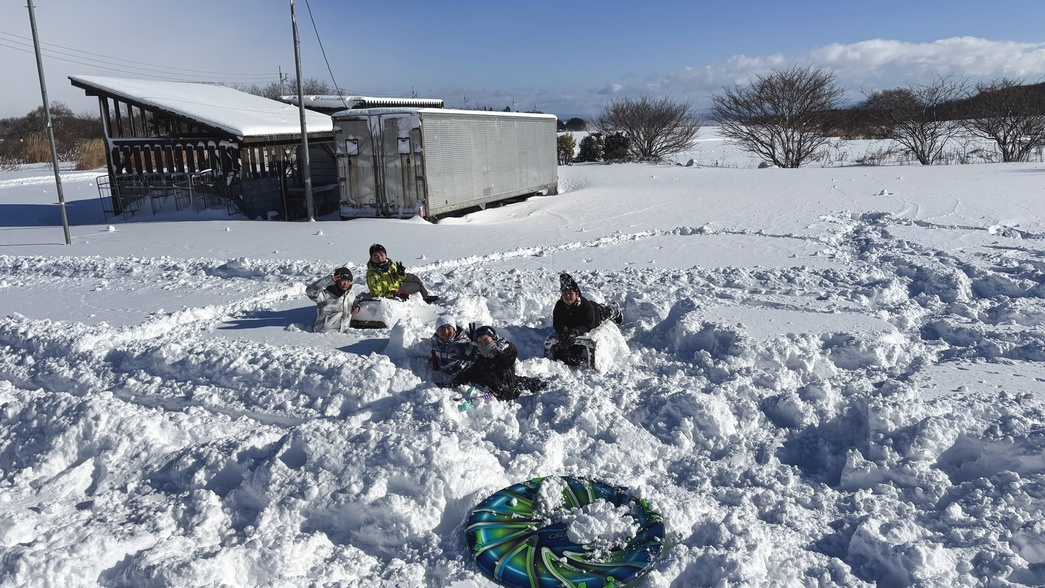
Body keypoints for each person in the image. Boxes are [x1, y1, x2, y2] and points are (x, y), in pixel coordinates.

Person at [548, 272, 623, 366]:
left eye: (570, 293)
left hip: (596, 314)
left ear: (577, 293)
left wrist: (576, 331)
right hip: (576, 322)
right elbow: (557, 322)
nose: (567, 296)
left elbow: (589, 325)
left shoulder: (585, 306)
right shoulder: (559, 306)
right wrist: (561, 329)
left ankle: (615, 309)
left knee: (607, 311)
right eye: (564, 293)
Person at [365, 243, 439, 304]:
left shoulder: (389, 263)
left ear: (386, 255)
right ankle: (425, 298)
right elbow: (376, 294)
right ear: (371, 258)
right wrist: (396, 293)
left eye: (382, 255)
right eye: (376, 256)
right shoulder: (372, 274)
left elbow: (398, 278)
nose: (380, 258)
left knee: (415, 278)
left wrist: (400, 273)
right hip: (395, 290)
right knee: (417, 285)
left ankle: (425, 296)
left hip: (396, 283)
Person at [306, 266, 361, 333]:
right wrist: (326, 280)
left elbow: (354, 300)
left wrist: (356, 305)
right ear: (337, 280)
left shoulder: (350, 293)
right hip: (325, 332)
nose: (346, 283)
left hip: (343, 332)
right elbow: (310, 292)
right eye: (343, 280)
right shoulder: (326, 294)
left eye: (348, 281)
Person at [429, 314, 475, 387]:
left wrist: (475, 344)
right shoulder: (435, 341)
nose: (445, 332)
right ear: (437, 331)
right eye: (441, 329)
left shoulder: (463, 343)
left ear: (454, 329)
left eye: (448, 328)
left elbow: (476, 355)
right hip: (446, 373)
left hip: (462, 375)